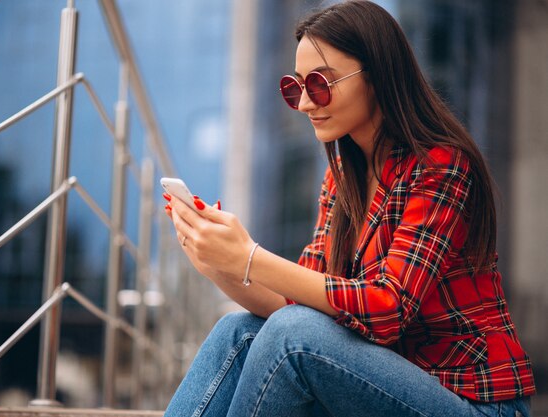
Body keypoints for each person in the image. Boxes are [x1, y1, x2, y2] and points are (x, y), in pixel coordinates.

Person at [161, 1, 536, 416]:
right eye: (294, 87)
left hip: (473, 404)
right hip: (388, 385)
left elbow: (387, 308)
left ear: (376, 77)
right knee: (240, 330)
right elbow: (299, 304)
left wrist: (248, 256)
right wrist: (217, 262)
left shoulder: (440, 167)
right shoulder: (342, 178)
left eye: (320, 84)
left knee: (292, 335)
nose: (305, 103)